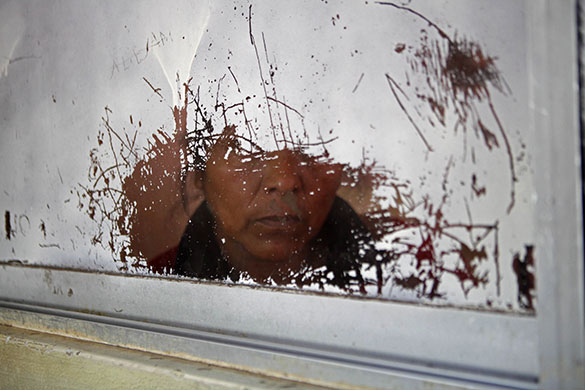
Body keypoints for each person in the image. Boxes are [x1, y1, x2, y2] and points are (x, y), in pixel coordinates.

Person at [174, 125, 378, 292]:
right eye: (245, 149)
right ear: (200, 173)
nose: (285, 181)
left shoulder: (404, 267)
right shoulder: (151, 281)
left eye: (314, 147)